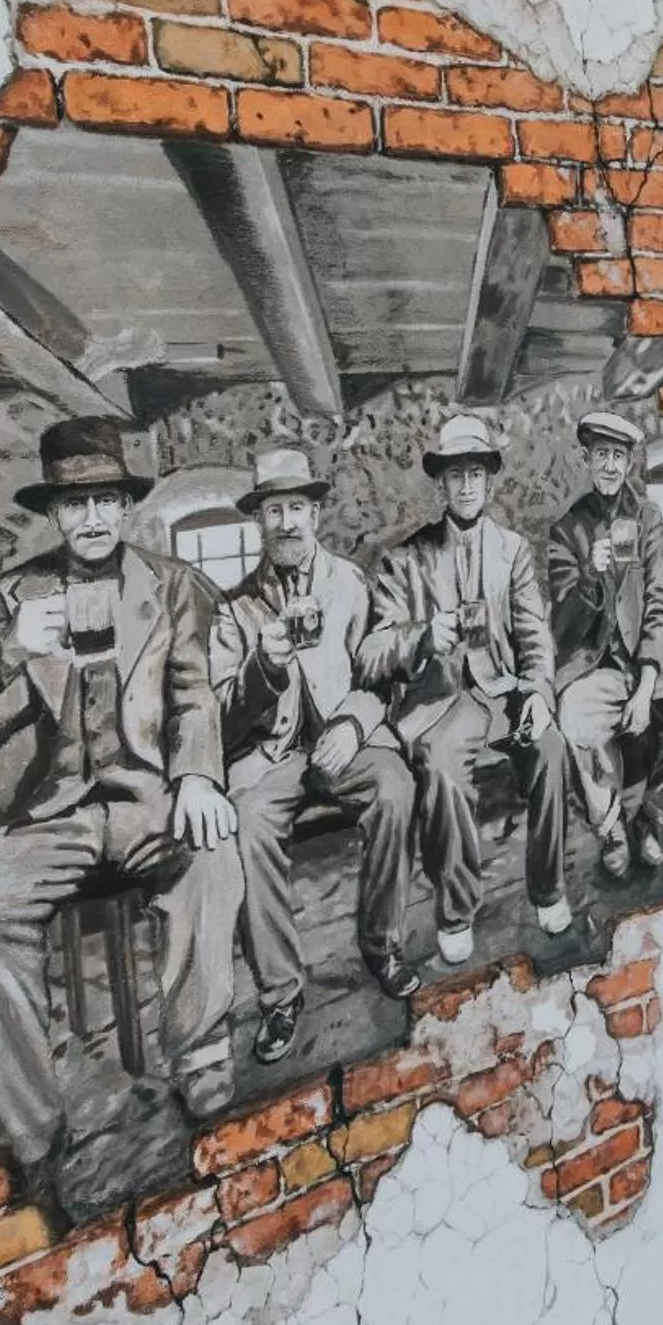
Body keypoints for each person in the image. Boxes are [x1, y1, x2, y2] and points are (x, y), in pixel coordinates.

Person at [0, 417, 241, 1213]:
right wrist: (9, 644)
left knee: (212, 855)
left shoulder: (167, 587)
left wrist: (199, 777)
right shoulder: (15, 595)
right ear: (54, 515)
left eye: (105, 500)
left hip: (141, 803)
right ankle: (30, 1139)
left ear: (124, 506)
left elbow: (193, 693)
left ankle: (201, 1063)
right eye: (75, 504)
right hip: (44, 817)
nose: (92, 518)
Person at [216, 447, 419, 1064]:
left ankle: (381, 944)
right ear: (260, 521)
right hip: (273, 754)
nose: (286, 522)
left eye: (296, 508)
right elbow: (221, 714)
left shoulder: (351, 584)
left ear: (315, 513)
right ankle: (280, 993)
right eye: (274, 509)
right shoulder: (236, 607)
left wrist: (355, 725)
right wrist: (263, 667)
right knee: (246, 823)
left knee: (395, 788)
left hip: (344, 743)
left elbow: (381, 675)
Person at [375, 414, 572, 966]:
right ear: (441, 484)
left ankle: (548, 888)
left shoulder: (512, 550)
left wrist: (536, 692)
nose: (465, 486)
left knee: (551, 747)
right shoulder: (406, 557)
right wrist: (422, 637)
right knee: (440, 766)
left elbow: (534, 635)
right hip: (443, 698)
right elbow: (379, 644)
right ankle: (457, 908)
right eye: (455, 475)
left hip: (502, 690)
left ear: (489, 482)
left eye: (475, 474)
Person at [546, 410, 663, 880]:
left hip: (647, 663)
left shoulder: (647, 517)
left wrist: (646, 684)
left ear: (628, 463)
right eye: (601, 454)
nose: (609, 465)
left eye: (618, 456)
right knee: (573, 718)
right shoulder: (568, 530)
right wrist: (588, 581)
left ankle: (652, 812)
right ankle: (611, 829)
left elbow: (661, 604)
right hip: (595, 666)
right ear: (586, 459)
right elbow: (561, 629)